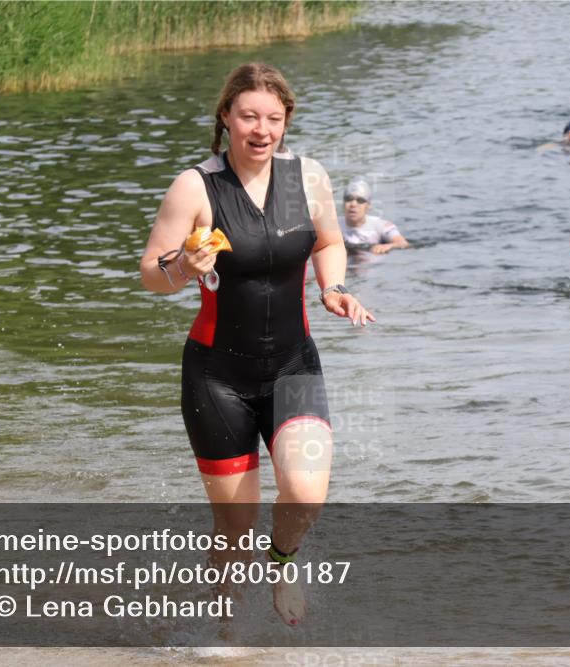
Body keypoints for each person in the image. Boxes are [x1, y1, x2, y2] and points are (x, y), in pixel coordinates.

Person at [139, 63, 373, 628]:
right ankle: (226, 629)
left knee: (306, 494)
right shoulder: (197, 186)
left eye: (273, 118)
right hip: (217, 377)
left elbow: (330, 243)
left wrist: (333, 287)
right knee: (235, 527)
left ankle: (284, 559)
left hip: (293, 365)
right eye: (248, 116)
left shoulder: (306, 179)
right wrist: (182, 265)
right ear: (226, 117)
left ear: (286, 121)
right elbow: (152, 273)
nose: (261, 129)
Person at [340, 178, 410, 254]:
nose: (353, 204)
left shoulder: (381, 226)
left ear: (368, 206)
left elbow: (403, 244)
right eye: (348, 199)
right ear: (343, 203)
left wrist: (388, 246)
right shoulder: (334, 226)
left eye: (360, 200)